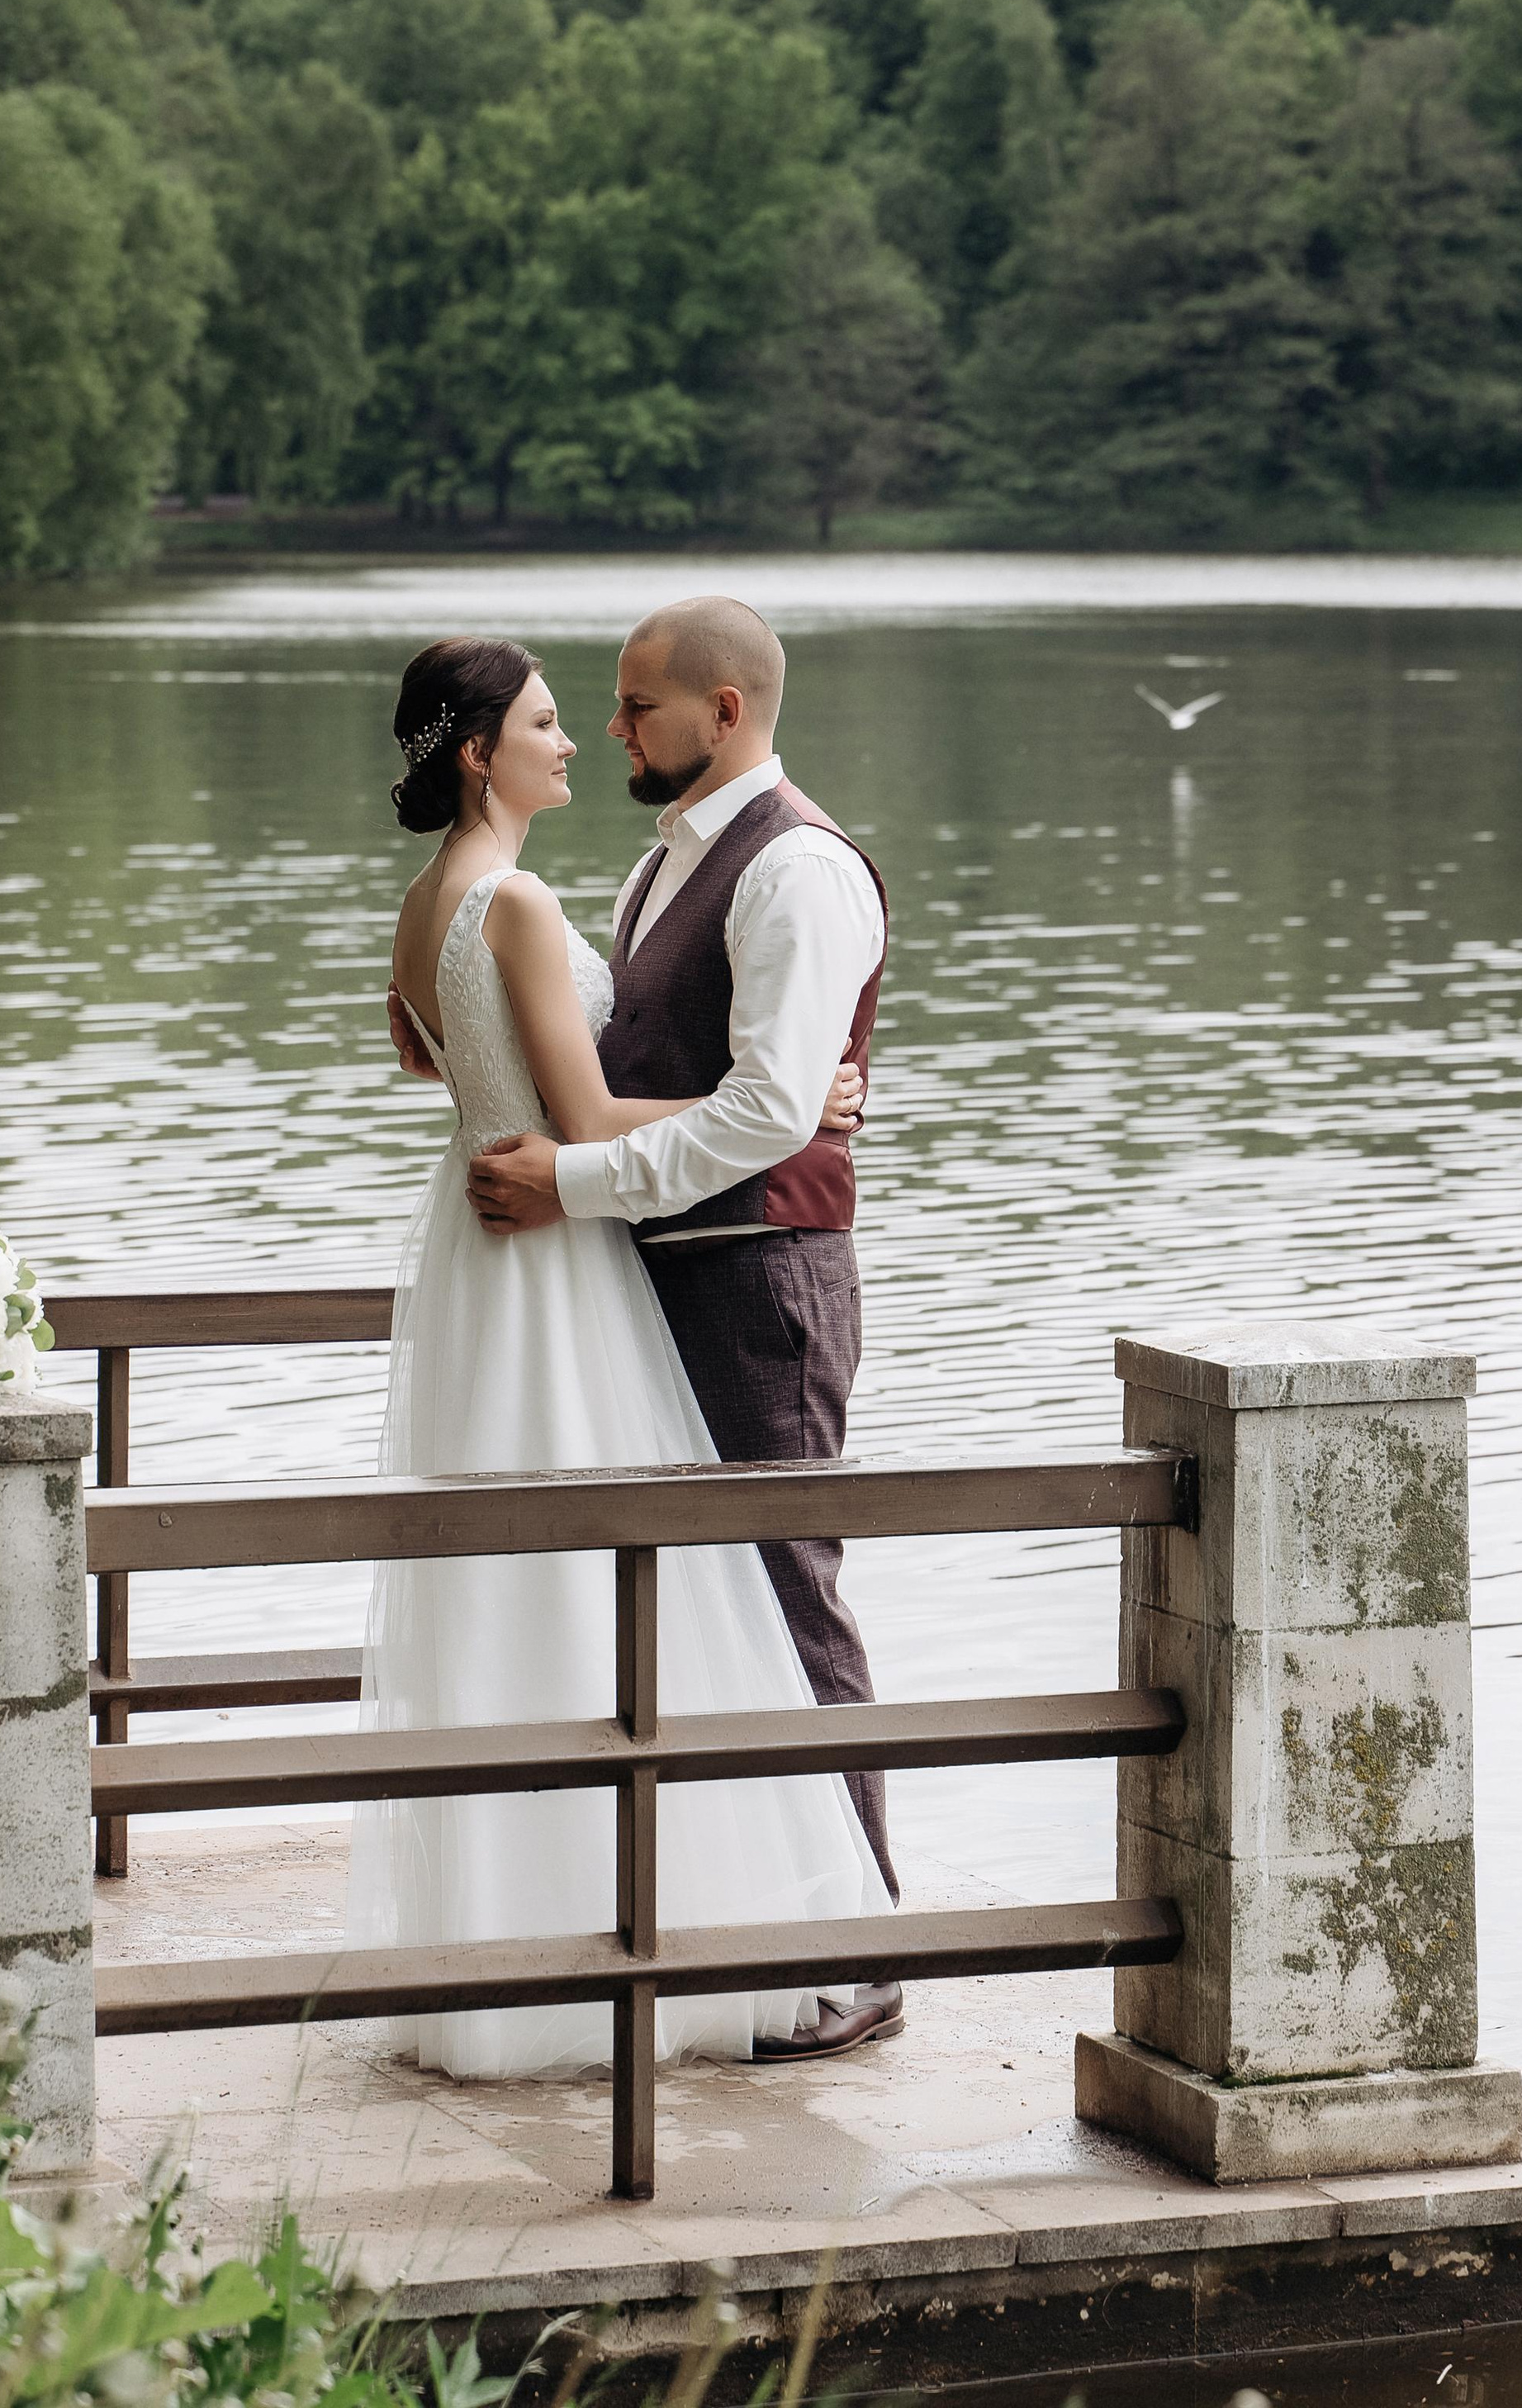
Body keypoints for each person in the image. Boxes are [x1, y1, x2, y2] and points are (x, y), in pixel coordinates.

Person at [347, 633, 892, 2080]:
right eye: (549, 718)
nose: (587, 732)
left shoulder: (432, 903)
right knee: (655, 1595)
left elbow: (433, 1059)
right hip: (564, 1251)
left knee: (576, 1591)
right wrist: (787, 1105)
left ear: (720, 707)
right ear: (481, 753)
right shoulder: (542, 892)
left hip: (515, 1257)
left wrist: (785, 1103)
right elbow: (585, 1118)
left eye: (619, 705)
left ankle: (800, 1937)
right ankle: (765, 1934)